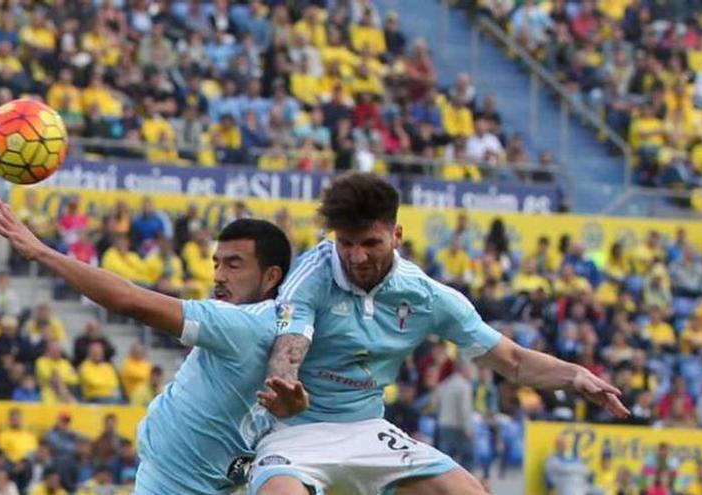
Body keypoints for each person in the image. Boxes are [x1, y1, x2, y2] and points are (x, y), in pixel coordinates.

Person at [254, 172, 629, 495]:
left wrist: (575, 375)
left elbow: (513, 361)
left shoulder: (426, 296)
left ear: (396, 235)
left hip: (365, 428)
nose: (356, 257)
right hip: (295, 429)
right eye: (346, 243)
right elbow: (289, 347)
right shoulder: (310, 277)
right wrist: (282, 386)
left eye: (370, 243)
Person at [0, 198, 293, 494]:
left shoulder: (240, 325)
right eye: (216, 264)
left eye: (233, 265)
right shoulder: (282, 325)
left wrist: (43, 252)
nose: (218, 276)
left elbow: (128, 299)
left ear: (270, 276)